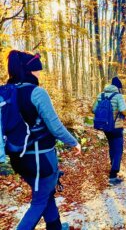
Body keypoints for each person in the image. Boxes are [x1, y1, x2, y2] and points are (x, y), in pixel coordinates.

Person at [6, 50, 81, 230]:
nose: (40, 73)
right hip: (41, 159)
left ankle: (54, 227)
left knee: (46, 194)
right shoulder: (36, 92)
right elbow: (55, 128)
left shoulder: (7, 92)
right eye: (37, 70)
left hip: (18, 157)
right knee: (39, 201)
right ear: (30, 70)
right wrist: (74, 143)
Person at [93, 76, 126, 186]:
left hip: (105, 127)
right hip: (116, 127)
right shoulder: (118, 96)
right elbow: (124, 110)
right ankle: (113, 175)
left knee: (111, 147)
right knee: (118, 149)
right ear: (118, 88)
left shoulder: (101, 95)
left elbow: (93, 109)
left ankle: (112, 168)